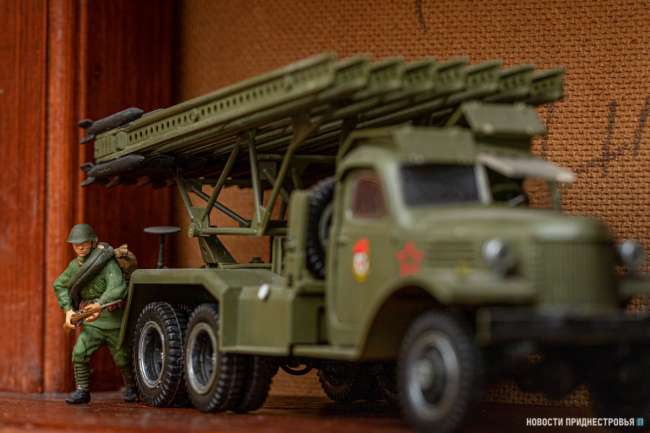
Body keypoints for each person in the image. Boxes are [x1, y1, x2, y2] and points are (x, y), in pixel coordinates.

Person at [52, 223, 138, 404]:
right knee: (79, 352)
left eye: (84, 243)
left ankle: (132, 388)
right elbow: (59, 284)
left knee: (123, 358)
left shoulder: (107, 263)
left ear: (92, 243)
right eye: (76, 244)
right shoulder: (74, 266)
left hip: (113, 320)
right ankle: (82, 390)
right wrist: (68, 309)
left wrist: (100, 304)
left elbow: (117, 288)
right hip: (91, 322)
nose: (80, 247)